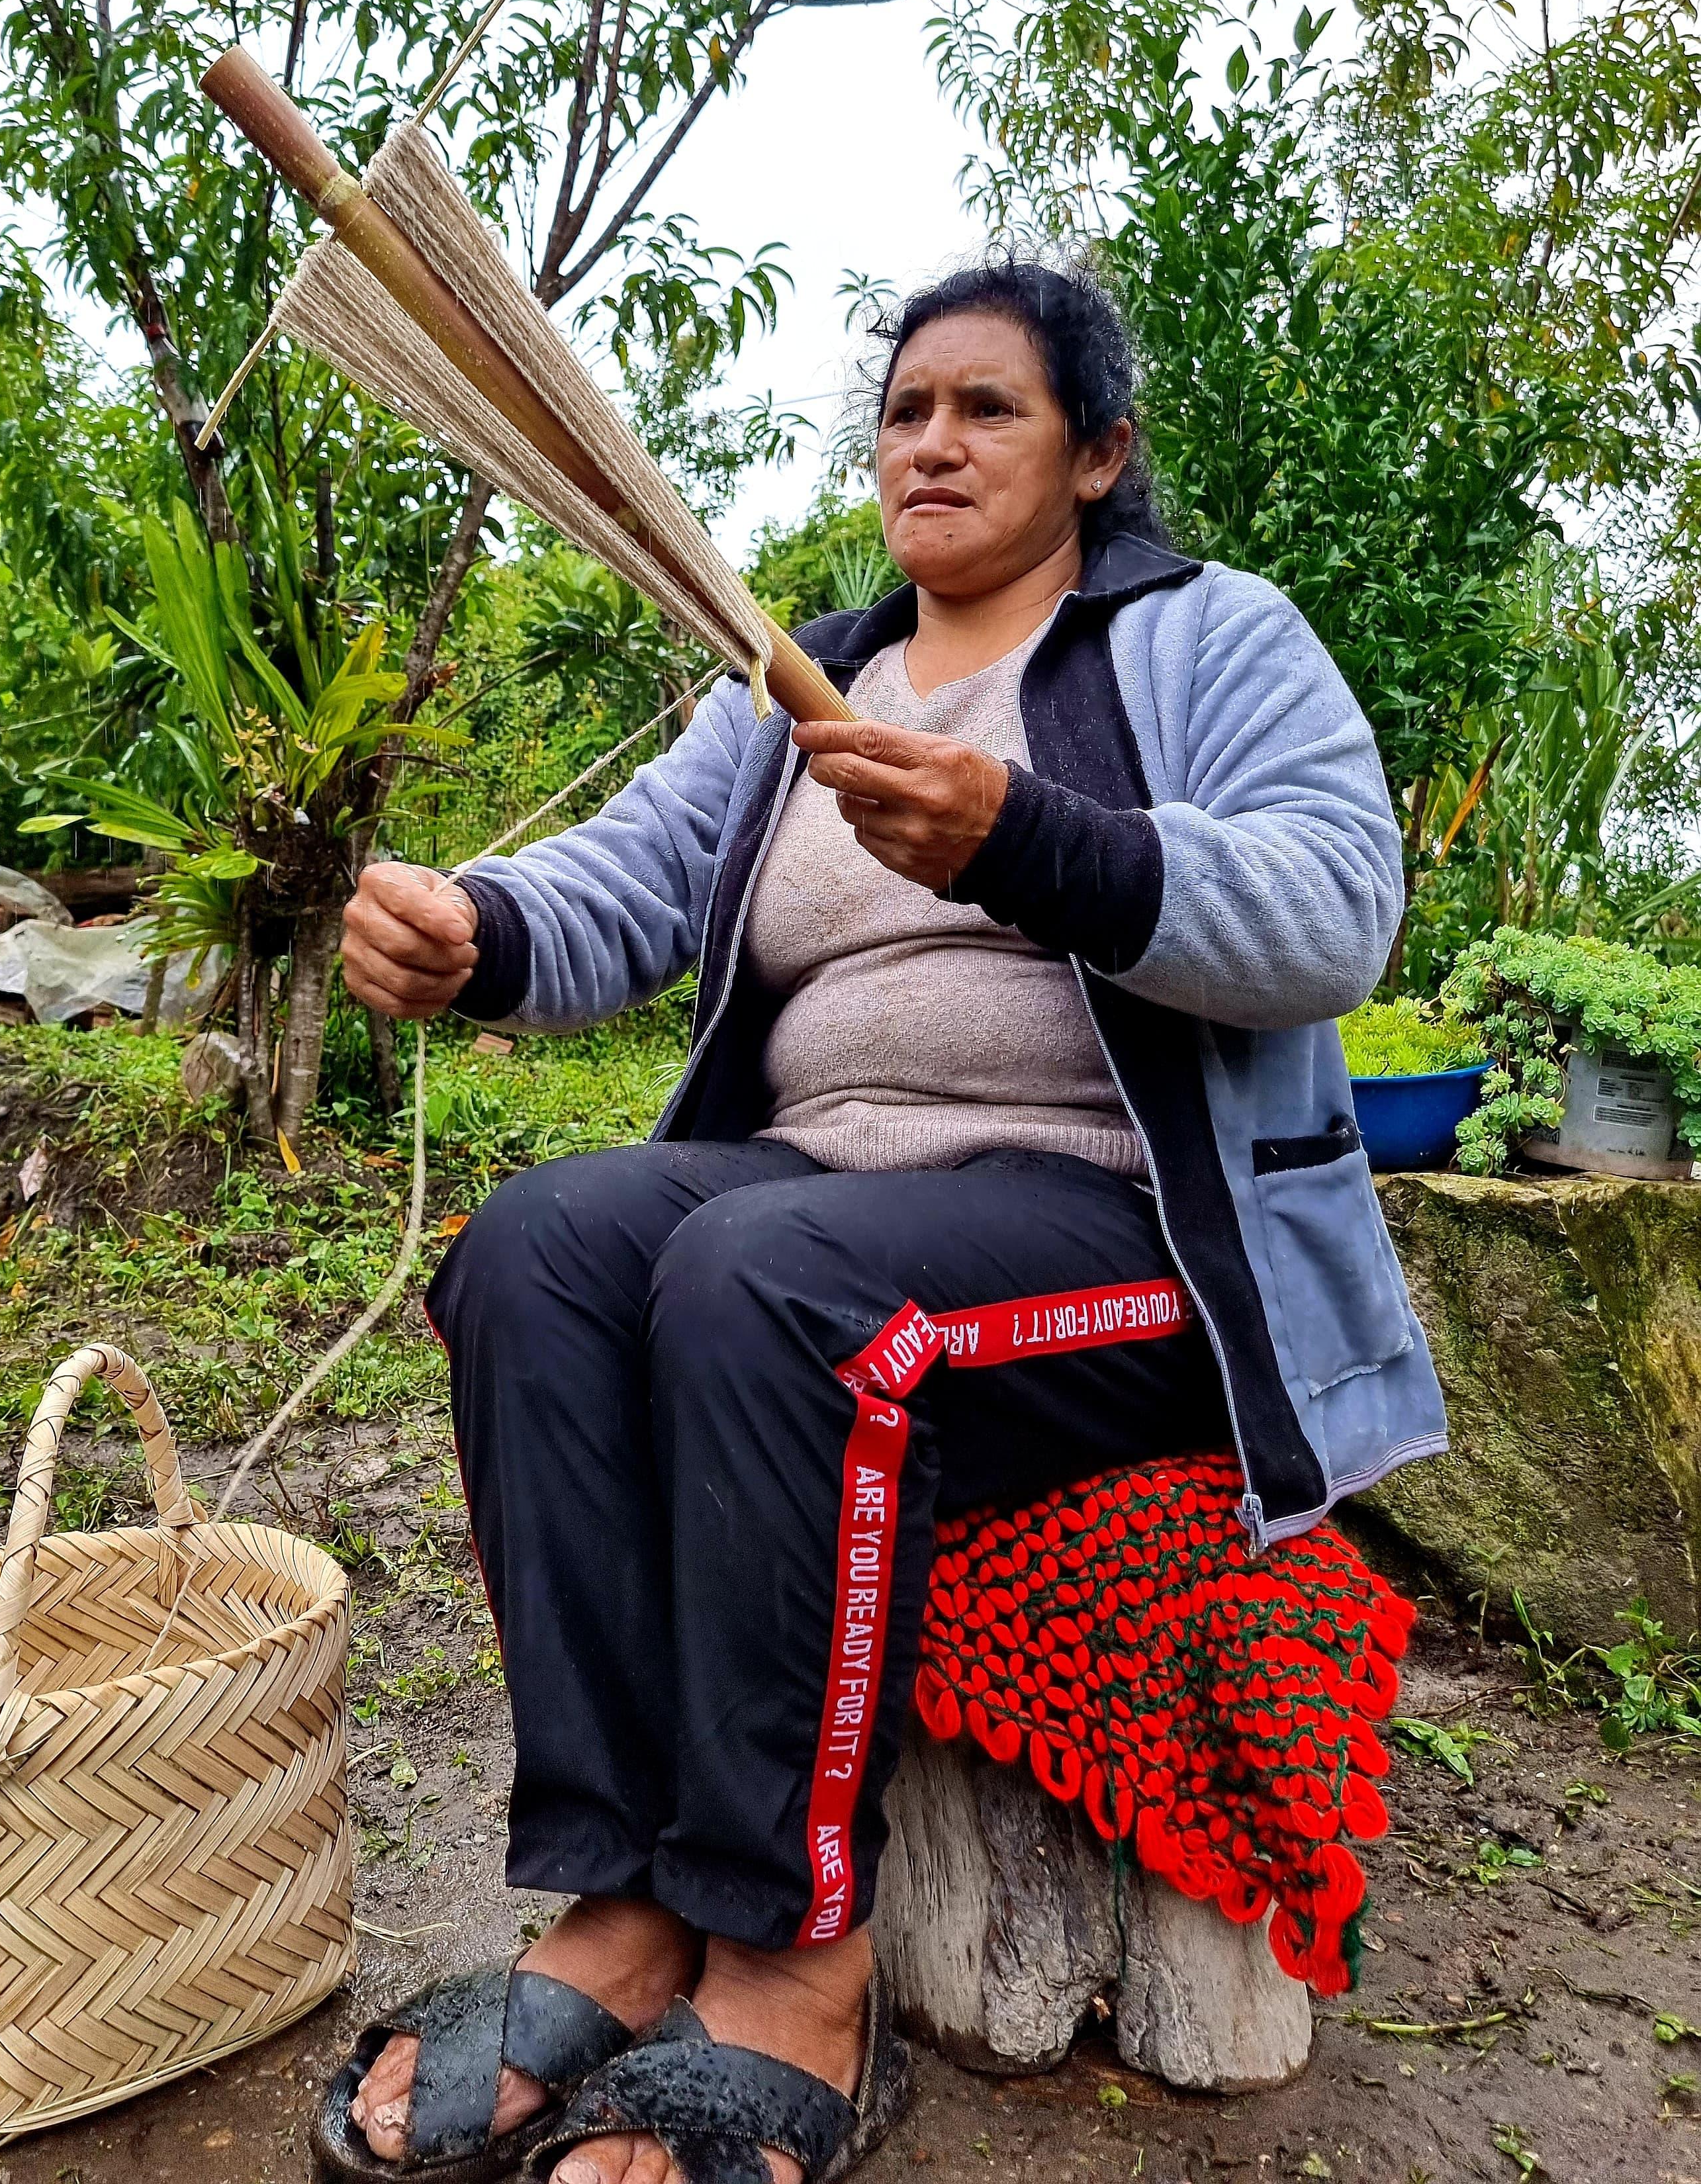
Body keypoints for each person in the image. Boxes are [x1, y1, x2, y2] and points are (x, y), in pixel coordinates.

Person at [312, 255, 1446, 2184]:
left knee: (771, 1279)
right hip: (834, 1196)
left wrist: (1030, 836)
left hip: (1117, 1246)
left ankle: (786, 1958)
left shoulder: (1207, 639)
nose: (932, 439)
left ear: (1097, 454)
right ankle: (614, 1899)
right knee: (542, 1245)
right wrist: (475, 925)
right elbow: (627, 886)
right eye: (906, 407)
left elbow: (1338, 907)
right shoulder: (794, 683)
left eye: (986, 406)